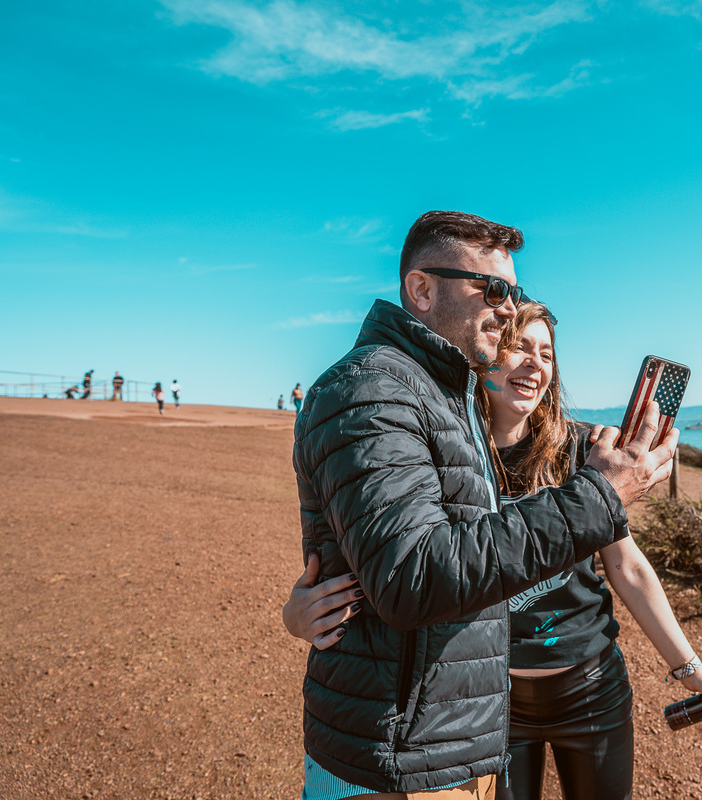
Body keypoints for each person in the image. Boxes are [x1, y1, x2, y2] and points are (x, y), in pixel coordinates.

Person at [287, 210, 676, 798]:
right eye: (492, 289)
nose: (508, 307)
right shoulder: (373, 389)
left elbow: (396, 542)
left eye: (514, 292)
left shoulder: (446, 396)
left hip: (449, 738)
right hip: (399, 760)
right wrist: (600, 497)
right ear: (421, 289)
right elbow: (414, 573)